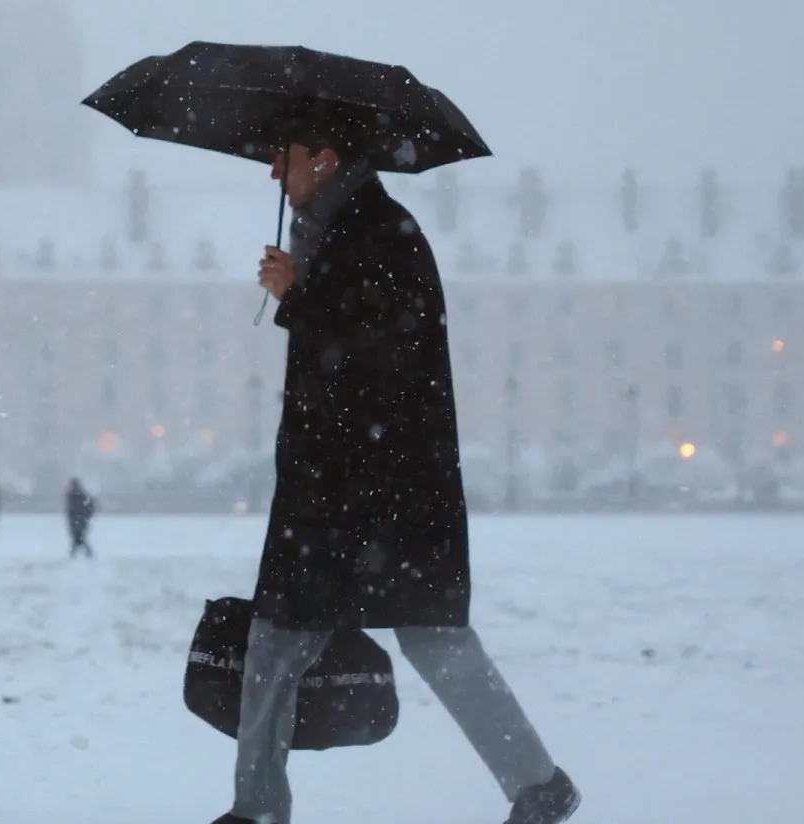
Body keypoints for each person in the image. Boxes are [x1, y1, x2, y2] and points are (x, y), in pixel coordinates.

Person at [212, 119, 579, 824]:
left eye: (280, 159)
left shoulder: (383, 232)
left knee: (417, 638)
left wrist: (299, 298)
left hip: (383, 485)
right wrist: (302, 292)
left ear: (323, 158)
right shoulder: (336, 232)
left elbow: (385, 355)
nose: (271, 174)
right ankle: (257, 807)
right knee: (279, 641)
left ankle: (539, 785)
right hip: (342, 484)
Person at [64, 477, 95, 558]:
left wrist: (84, 516)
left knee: (79, 538)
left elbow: (90, 507)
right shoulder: (70, 496)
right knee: (78, 539)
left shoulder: (81, 496)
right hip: (73, 521)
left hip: (80, 521)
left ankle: (75, 555)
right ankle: (86, 554)